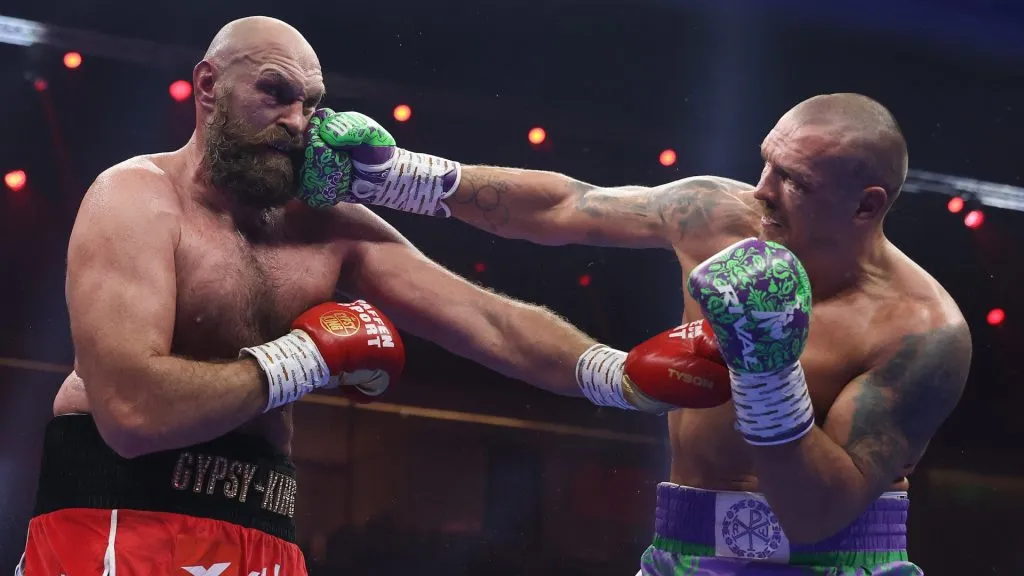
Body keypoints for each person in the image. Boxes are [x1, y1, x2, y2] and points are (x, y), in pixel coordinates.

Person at [18, 16, 720, 576]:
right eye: (275, 92)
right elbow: (132, 413)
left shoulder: (329, 229)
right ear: (207, 86)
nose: (297, 120)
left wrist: (617, 374)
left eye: (311, 103)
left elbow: (487, 321)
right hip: (120, 520)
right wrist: (305, 357)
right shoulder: (136, 199)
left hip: (266, 530)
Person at [300, 93, 973, 574]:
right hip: (682, 551)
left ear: (868, 205)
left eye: (792, 181)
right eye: (766, 162)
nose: (761, 190)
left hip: (834, 562)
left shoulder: (922, 333)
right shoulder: (717, 214)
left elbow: (816, 514)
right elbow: (565, 205)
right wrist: (394, 178)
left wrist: (768, 371)